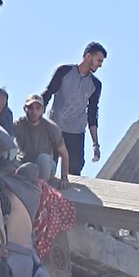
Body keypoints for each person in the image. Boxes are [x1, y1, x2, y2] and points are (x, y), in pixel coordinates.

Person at [42, 42, 107, 176]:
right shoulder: (64, 71)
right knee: (47, 168)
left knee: (74, 171)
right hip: (55, 128)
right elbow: (47, 94)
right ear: (88, 56)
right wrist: (37, 119)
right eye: (99, 60)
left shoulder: (95, 84)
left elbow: (92, 114)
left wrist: (95, 144)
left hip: (76, 134)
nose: (100, 65)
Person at [14, 94, 70, 187]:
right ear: (24, 109)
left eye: (37, 108)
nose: (34, 111)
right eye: (30, 108)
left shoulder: (52, 128)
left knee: (43, 158)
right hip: (23, 164)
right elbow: (6, 142)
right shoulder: (18, 125)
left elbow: (64, 154)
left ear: (43, 110)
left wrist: (64, 178)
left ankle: (41, 187)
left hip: (45, 167)